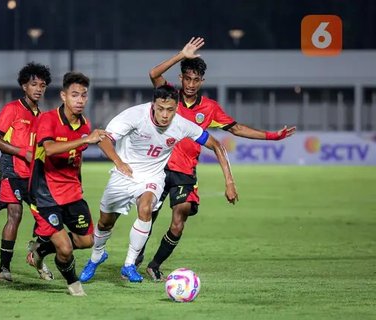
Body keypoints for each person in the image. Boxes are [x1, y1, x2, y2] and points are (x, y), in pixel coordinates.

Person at [137, 37, 297, 281]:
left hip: (185, 172)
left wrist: (273, 136)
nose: (191, 84)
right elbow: (153, 73)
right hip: (158, 167)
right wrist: (182, 54)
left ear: (202, 81)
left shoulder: (210, 108)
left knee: (180, 218)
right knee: (147, 215)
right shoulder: (170, 97)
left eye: (196, 80)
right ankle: (134, 257)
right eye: (187, 79)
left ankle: (155, 264)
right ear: (181, 79)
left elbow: (237, 129)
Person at [79, 84, 238, 283]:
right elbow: (102, 138)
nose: (165, 115)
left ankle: (129, 264)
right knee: (105, 222)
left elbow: (216, 145)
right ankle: (96, 256)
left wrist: (229, 181)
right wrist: (119, 163)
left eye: (170, 110)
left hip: (152, 177)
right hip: (123, 174)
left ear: (176, 108)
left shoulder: (182, 125)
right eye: (161, 109)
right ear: (153, 105)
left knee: (145, 209)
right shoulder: (135, 115)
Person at [26, 72, 107, 296]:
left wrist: (79, 184)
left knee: (87, 240)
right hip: (45, 193)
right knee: (65, 248)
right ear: (63, 96)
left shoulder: (84, 125)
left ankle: (39, 250)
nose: (80, 100)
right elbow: (49, 149)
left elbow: (77, 160)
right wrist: (85, 139)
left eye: (83, 95)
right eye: (74, 95)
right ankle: (74, 285)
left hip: (72, 192)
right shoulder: (48, 119)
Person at [0, 62, 53, 282]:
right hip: (12, 168)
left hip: (33, 173)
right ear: (24, 86)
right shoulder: (12, 109)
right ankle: (4, 269)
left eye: (43, 85)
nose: (38, 88)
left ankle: (37, 258)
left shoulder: (43, 116)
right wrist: (22, 152)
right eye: (33, 84)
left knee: (46, 220)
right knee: (15, 214)